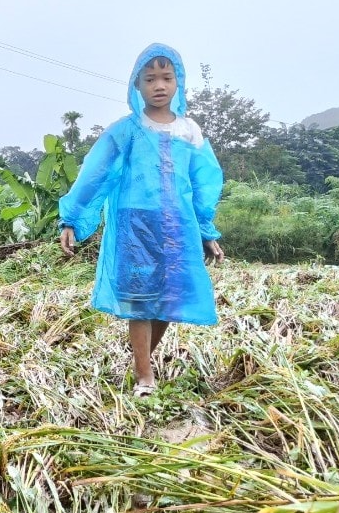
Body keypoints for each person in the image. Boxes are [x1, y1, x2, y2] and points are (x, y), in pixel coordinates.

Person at [57, 42, 225, 397]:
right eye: (150, 78)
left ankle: (141, 359)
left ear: (178, 82)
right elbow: (94, 174)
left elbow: (202, 184)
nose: (159, 85)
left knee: (169, 299)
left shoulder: (190, 133)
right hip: (136, 225)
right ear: (137, 85)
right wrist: (71, 218)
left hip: (177, 226)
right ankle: (144, 376)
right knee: (140, 299)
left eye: (166, 77)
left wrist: (207, 231)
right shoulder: (126, 131)